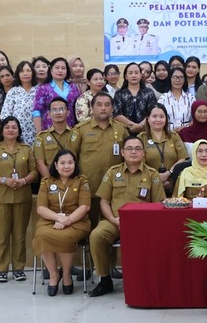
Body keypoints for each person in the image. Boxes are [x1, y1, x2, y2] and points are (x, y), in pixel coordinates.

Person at [90, 135, 166, 297]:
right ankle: (105, 280)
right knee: (97, 236)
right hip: (115, 221)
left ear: (143, 153)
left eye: (138, 149)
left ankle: (144, 279)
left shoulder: (152, 175)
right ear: (122, 152)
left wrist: (144, 222)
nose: (133, 152)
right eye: (129, 149)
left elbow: (158, 205)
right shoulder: (113, 173)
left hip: (142, 224)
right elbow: (104, 201)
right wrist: (113, 220)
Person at [0, 116, 38, 283]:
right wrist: (4, 180)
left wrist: (24, 181)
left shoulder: (26, 149)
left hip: (22, 197)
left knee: (20, 236)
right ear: (2, 130)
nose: (11, 130)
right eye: (7, 127)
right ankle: (1, 269)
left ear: (19, 131)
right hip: (0, 199)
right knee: (1, 236)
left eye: (14, 127)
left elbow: (34, 172)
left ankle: (18, 268)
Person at [33, 149, 92, 296]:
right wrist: (59, 218)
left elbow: (84, 207)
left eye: (70, 162)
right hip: (50, 220)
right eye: (63, 163)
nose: (66, 166)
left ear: (75, 164)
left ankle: (66, 274)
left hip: (76, 221)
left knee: (65, 236)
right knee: (42, 236)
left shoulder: (81, 180)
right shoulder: (47, 181)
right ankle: (54, 275)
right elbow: (41, 208)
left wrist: (67, 221)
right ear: (55, 165)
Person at [67, 92, 128, 231]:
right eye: (99, 105)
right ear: (92, 108)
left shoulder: (121, 129)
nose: (103, 108)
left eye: (107, 105)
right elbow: (70, 157)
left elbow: (128, 157)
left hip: (115, 188)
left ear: (112, 108)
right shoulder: (81, 129)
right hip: (89, 187)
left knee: (113, 227)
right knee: (89, 226)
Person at [139, 103, 189, 195]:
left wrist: (168, 174)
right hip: (149, 184)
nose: (158, 119)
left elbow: (182, 158)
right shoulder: (141, 138)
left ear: (166, 119)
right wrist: (157, 178)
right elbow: (139, 163)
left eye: (161, 116)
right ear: (148, 119)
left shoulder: (173, 136)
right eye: (154, 116)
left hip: (173, 183)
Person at [33, 57, 81, 131]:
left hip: (71, 127)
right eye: (57, 68)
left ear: (67, 71)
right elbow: (37, 111)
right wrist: (39, 131)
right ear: (51, 70)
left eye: (63, 68)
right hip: (49, 128)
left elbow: (78, 107)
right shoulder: (43, 88)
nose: (60, 70)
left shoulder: (73, 87)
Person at [34, 97, 74, 181]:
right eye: (54, 110)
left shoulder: (76, 134)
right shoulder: (41, 137)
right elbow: (40, 163)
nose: (58, 113)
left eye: (61, 109)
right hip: (50, 182)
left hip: (72, 181)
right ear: (49, 114)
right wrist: (52, 182)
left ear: (68, 112)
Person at [113, 62, 158, 135]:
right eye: (130, 73)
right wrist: (132, 125)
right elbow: (116, 114)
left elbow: (153, 111)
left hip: (145, 131)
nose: (133, 75)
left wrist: (141, 126)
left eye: (136, 73)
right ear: (126, 76)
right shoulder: (119, 93)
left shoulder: (149, 92)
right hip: (124, 132)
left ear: (141, 75)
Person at [0, 61, 38, 147]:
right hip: (18, 135)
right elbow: (5, 116)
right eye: (22, 71)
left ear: (33, 73)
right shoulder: (13, 92)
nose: (25, 73)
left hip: (37, 132)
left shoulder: (39, 90)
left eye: (28, 70)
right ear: (18, 74)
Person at [158, 66, 194, 132]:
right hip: (168, 133)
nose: (178, 80)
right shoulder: (163, 98)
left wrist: (185, 127)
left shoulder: (191, 98)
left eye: (181, 77)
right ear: (170, 79)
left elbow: (196, 118)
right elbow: (158, 118)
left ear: (184, 80)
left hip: (187, 132)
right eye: (175, 77)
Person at [0, 64, 15, 132]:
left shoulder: (20, 91)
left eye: (7, 75)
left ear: (13, 76)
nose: (5, 78)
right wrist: (0, 133)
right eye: (2, 76)